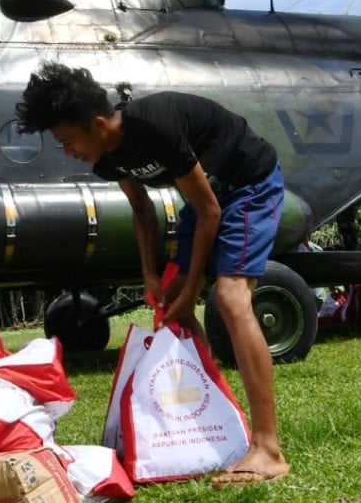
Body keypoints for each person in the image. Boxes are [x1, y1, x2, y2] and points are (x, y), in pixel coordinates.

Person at [15, 61, 289, 488]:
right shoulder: (107, 159)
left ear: (99, 123)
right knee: (172, 311)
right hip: (207, 201)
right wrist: (151, 275)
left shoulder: (154, 126)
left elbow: (210, 213)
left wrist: (192, 285)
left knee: (230, 299)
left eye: (68, 141)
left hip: (246, 186)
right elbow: (142, 210)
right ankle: (214, 421)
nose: (67, 152)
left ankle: (268, 450)